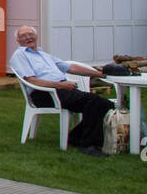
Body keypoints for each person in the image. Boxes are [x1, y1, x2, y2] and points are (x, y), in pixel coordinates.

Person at [10, 26, 113, 156]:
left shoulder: (43, 55)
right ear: (18, 41)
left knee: (105, 104)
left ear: (36, 36)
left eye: (30, 34)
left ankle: (76, 137)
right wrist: (60, 85)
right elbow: (32, 81)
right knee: (94, 102)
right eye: (23, 36)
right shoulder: (20, 55)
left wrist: (99, 74)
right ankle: (87, 145)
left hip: (62, 91)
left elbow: (71, 68)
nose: (28, 37)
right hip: (45, 93)